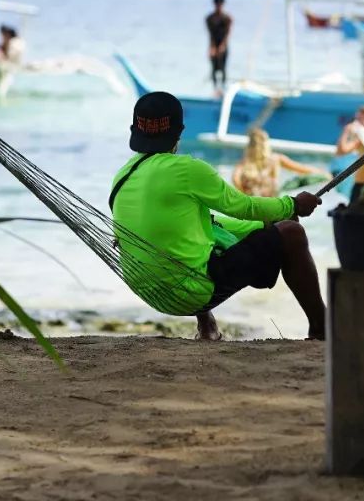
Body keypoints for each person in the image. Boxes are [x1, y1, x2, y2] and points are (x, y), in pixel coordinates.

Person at [110, 91, 326, 341]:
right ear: (179, 133)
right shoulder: (187, 170)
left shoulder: (123, 176)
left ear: (135, 131)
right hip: (188, 293)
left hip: (147, 288)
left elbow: (213, 224)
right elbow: (243, 206)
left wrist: (263, 223)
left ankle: (207, 327)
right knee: (292, 233)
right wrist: (292, 205)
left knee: (192, 232)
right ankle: (322, 328)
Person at [233, 128, 329, 197]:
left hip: (253, 203)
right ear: (267, 144)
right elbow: (302, 169)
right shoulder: (276, 159)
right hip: (274, 202)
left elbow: (235, 180)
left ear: (249, 146)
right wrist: (324, 174)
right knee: (296, 183)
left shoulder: (243, 163)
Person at [205, 0, 232, 90]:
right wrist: (212, 47)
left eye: (220, 4)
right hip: (213, 44)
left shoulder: (227, 18)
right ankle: (215, 89)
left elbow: (227, 34)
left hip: (223, 45)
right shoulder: (209, 18)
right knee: (213, 68)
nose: (218, 6)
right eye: (217, 4)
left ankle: (223, 88)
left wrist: (222, 46)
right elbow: (210, 34)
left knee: (223, 68)